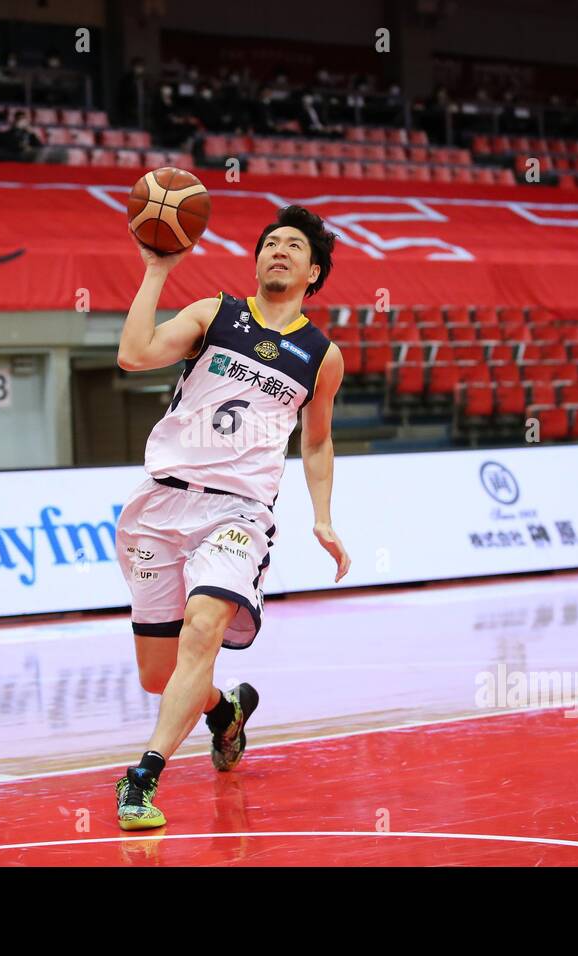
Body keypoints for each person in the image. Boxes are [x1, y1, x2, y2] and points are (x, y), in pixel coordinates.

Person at [113, 205, 351, 829]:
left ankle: (142, 777)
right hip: (160, 502)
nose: (278, 249)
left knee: (204, 626)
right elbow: (134, 354)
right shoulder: (214, 313)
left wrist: (322, 517)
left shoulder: (321, 355)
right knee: (157, 675)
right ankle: (224, 712)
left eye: (293, 245)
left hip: (238, 511)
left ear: (313, 272)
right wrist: (157, 270)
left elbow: (318, 441)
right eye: (270, 241)